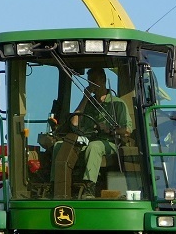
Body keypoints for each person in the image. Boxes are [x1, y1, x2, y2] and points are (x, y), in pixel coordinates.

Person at [52, 68, 132, 198]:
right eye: (90, 82)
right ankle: (54, 185)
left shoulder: (117, 104)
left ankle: (89, 187)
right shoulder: (88, 104)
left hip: (110, 143)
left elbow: (127, 130)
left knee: (94, 147)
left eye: (94, 81)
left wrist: (109, 129)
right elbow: (74, 122)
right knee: (60, 146)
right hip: (87, 139)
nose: (92, 85)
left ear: (103, 81)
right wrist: (85, 98)